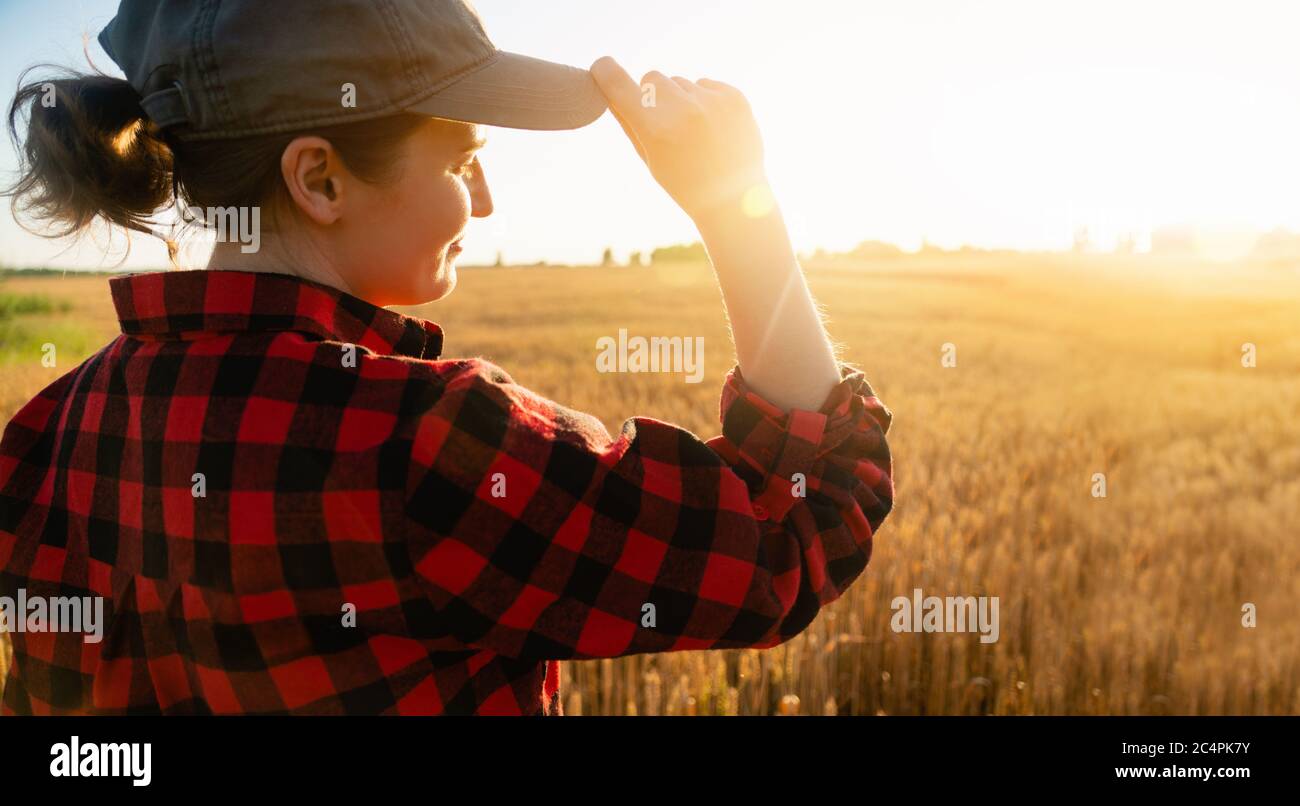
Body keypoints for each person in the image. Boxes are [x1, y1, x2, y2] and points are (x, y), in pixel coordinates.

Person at [0, 0, 894, 715]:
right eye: (463, 158)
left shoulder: (53, 427)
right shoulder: (429, 444)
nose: (490, 200)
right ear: (320, 180)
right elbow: (788, 532)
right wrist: (737, 203)